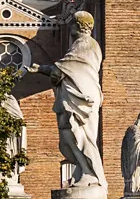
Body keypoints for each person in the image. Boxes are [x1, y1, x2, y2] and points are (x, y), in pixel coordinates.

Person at [27, 11, 106, 188]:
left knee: (80, 133)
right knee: (69, 132)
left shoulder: (84, 44)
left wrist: (41, 69)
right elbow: (64, 67)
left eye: (72, 25)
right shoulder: (85, 44)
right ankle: (82, 169)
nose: (70, 28)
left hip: (80, 96)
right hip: (76, 93)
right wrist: (44, 69)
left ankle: (91, 173)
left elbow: (61, 70)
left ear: (78, 26)